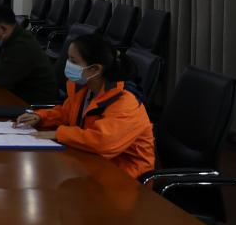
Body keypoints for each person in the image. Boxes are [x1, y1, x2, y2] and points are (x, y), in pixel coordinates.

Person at [16, 34, 155, 179]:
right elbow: (66, 113)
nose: (67, 64)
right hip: (90, 162)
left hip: (126, 176)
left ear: (95, 69)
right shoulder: (84, 87)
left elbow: (103, 142)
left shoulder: (125, 101)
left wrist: (58, 134)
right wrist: (41, 117)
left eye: (73, 61)